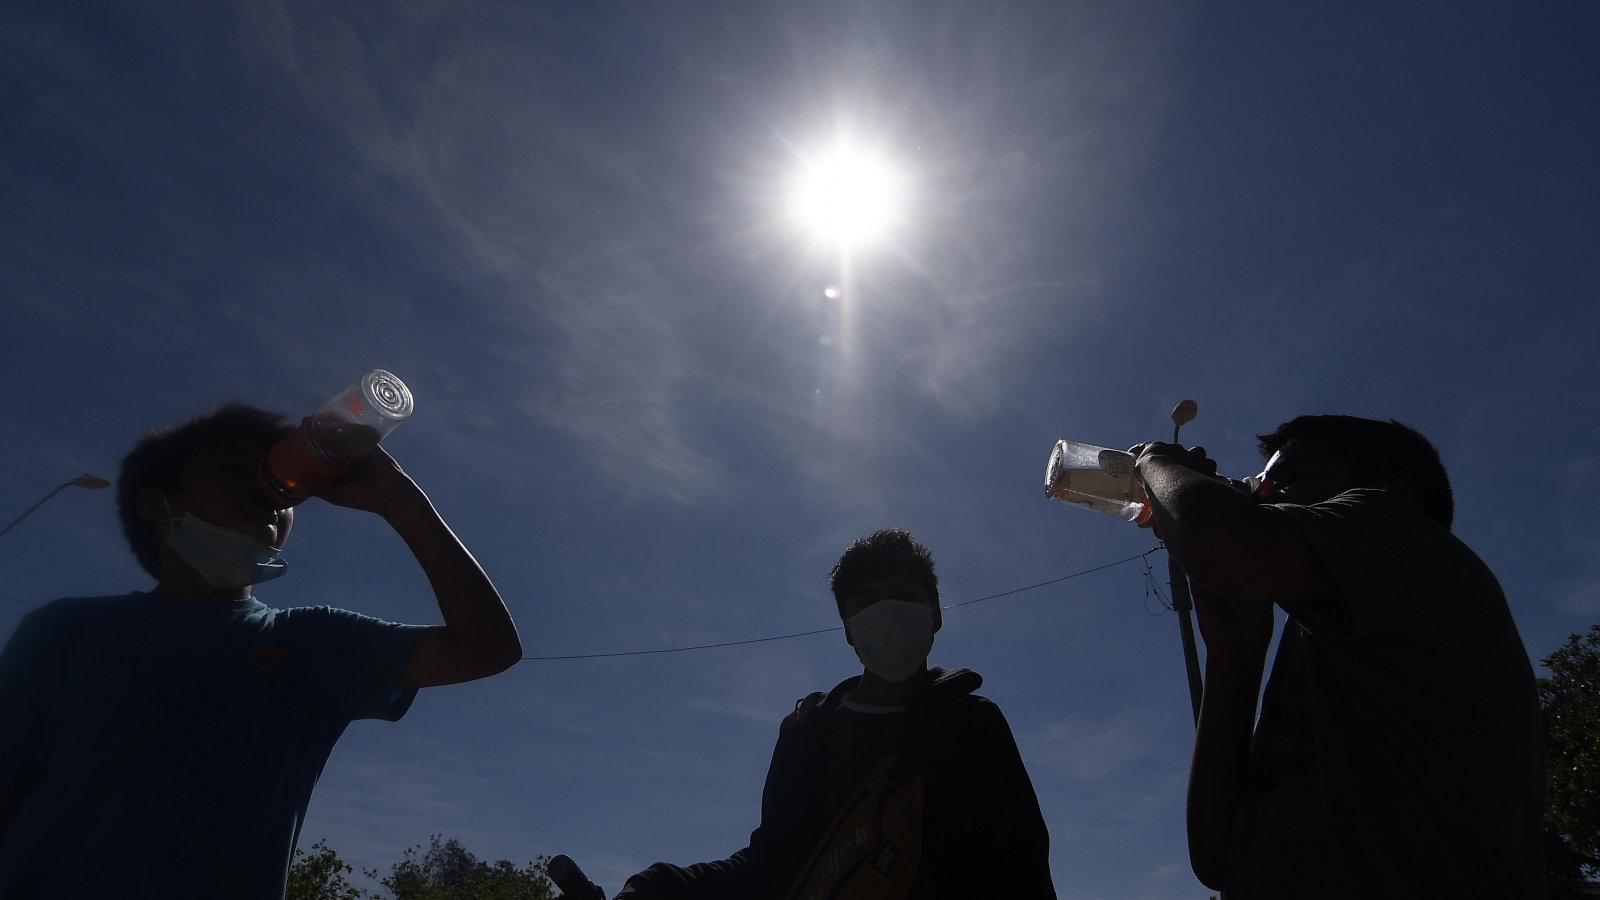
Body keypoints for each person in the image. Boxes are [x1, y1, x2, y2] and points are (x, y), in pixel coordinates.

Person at [0, 403, 523, 899]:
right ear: (155, 501)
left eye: (272, 475)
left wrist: (396, 497)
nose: (264, 489)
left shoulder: (316, 644)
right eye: (231, 469)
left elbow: (487, 649)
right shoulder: (68, 631)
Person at [1132, 415, 1545, 898]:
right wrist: (1234, 654)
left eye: (1290, 478)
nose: (1259, 494)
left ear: (1390, 495)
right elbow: (1219, 861)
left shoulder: (1404, 535)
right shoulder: (1324, 640)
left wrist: (1155, 462)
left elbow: (1221, 539)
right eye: (1261, 480)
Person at [616, 528, 1056, 900]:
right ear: (847, 629)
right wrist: (656, 887)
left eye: (903, 594)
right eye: (865, 601)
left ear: (936, 614)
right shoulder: (807, 734)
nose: (885, 613)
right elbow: (771, 864)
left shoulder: (974, 724)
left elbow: (1022, 868)